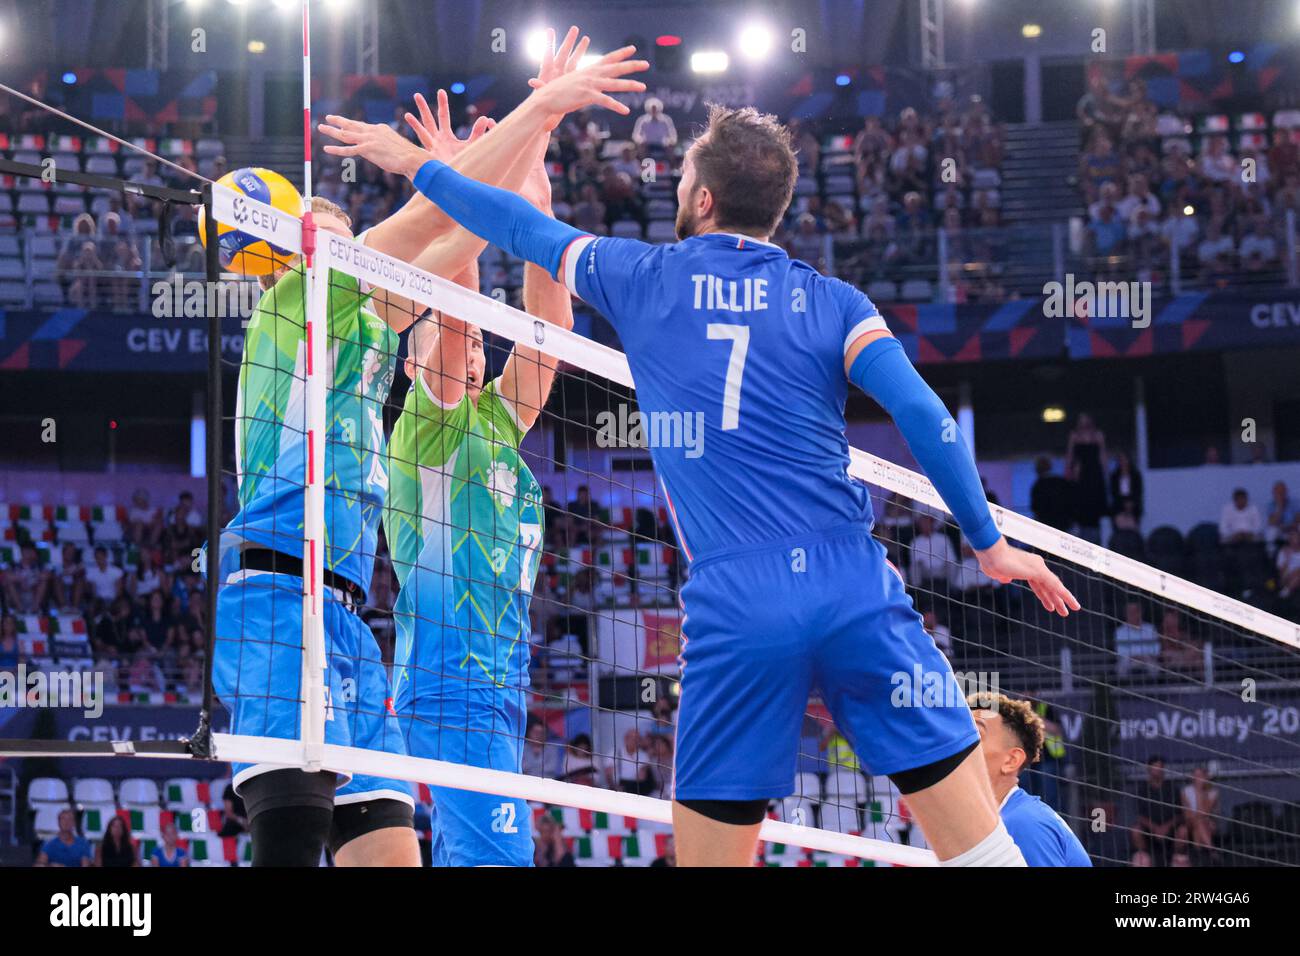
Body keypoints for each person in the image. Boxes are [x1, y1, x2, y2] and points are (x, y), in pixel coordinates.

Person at [326, 93, 1081, 868]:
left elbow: (516, 229)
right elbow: (926, 414)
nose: (678, 185)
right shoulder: (831, 301)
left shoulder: (645, 275)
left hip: (738, 608)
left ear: (703, 197)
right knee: (982, 854)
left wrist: (419, 162)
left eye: (684, 174)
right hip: (854, 582)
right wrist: (989, 544)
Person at [383, 155, 571, 866]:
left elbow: (549, 323)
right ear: (411, 362)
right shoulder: (422, 428)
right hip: (450, 681)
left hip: (501, 680)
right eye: (434, 333)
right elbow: (459, 316)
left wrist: (538, 200)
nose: (473, 344)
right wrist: (468, 181)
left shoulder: (497, 420)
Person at [969, 694, 1091, 866]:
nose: (961, 741)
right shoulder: (999, 819)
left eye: (977, 733)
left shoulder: (1023, 823)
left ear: (1011, 761)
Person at [1066, 413, 1108, 542]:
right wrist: (1069, 473)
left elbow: (1102, 455)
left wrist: (1105, 474)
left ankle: (1096, 539)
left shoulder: (1098, 435)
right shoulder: (1074, 436)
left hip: (1095, 474)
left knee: (1095, 506)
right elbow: (1070, 456)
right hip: (1080, 475)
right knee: (1081, 506)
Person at [1132, 756, 1179, 866]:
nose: (1158, 770)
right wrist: (1155, 828)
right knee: (1136, 831)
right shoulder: (1142, 789)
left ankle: (1177, 858)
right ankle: (1144, 857)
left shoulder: (1172, 788)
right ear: (1149, 769)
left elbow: (1180, 814)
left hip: (1170, 828)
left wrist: (1166, 827)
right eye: (1155, 767)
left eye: (1160, 767)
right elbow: (1140, 815)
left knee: (1183, 832)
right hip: (1149, 829)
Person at [1029, 456, 1075, 532]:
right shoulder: (1062, 482)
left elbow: (1035, 508)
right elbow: (1072, 502)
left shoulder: (1038, 486)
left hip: (1046, 528)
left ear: (1037, 469)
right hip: (1065, 526)